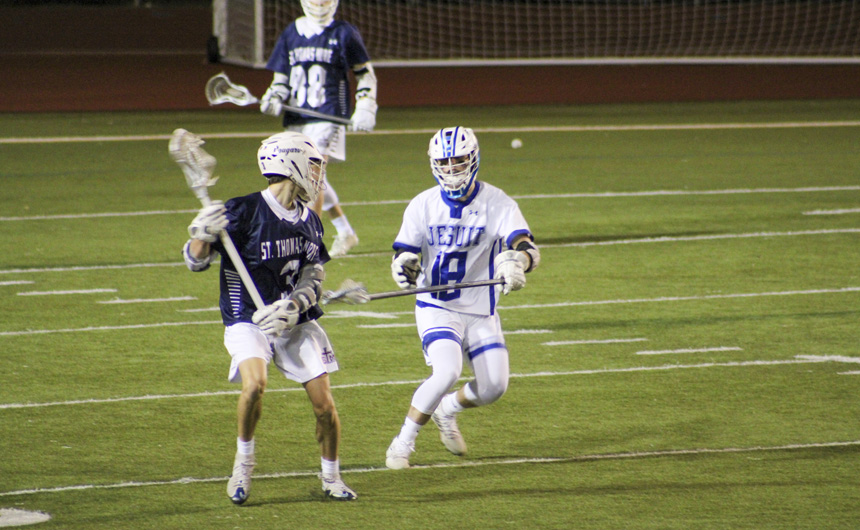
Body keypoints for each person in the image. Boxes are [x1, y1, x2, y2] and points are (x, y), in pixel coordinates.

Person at [182, 131, 356, 503]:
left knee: (325, 406)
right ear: (291, 163)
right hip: (247, 315)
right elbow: (195, 261)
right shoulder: (242, 210)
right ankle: (243, 465)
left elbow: (313, 276)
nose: (318, 173)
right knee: (254, 385)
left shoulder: (309, 220)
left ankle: (332, 478)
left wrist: (293, 307)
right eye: (313, 164)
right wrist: (201, 232)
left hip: (292, 320)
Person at [384, 126, 541, 469]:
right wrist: (403, 266)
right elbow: (404, 252)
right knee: (447, 371)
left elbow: (526, 246)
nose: (451, 168)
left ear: (473, 159)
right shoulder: (423, 204)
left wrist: (518, 262)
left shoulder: (497, 202)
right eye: (444, 162)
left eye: (458, 160)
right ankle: (403, 442)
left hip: (481, 308)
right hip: (437, 305)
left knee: (494, 387)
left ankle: (447, 409)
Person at [259, 0, 378, 258]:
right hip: (297, 116)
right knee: (303, 177)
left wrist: (366, 105)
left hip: (329, 115)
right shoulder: (292, 32)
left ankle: (309, 242)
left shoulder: (344, 33)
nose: (320, 3)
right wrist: (274, 95)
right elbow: (282, 78)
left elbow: (365, 73)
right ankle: (345, 231)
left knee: (312, 177)